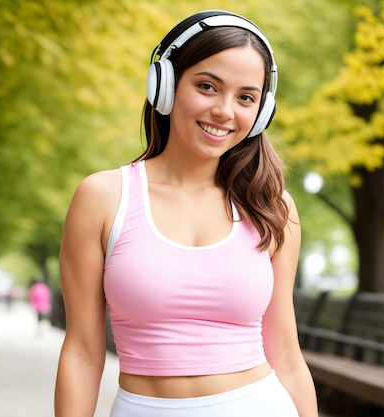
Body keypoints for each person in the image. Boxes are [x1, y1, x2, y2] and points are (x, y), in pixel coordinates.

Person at [54, 9, 319, 417]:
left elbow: (285, 351)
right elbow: (83, 352)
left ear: (261, 112)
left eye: (246, 97)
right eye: (207, 86)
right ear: (165, 85)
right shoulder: (103, 197)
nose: (225, 111)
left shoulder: (271, 205)